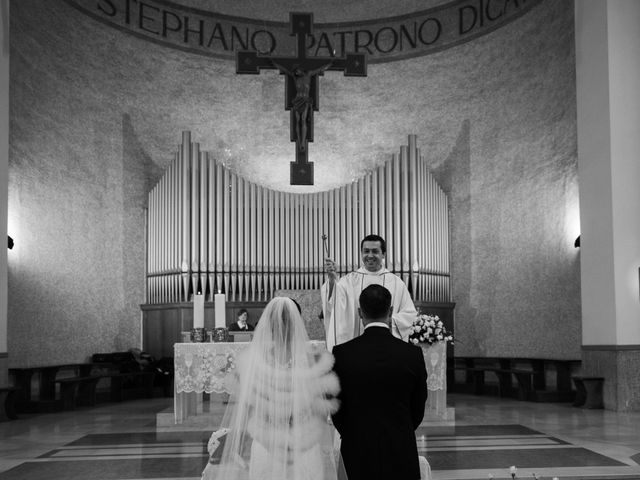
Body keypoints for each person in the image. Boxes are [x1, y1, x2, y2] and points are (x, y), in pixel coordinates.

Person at [201, 297, 342, 480]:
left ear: (269, 324)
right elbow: (321, 409)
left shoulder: (256, 361)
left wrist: (237, 443)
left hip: (266, 442)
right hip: (303, 440)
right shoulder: (311, 360)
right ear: (297, 321)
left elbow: (247, 407)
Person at [331, 284, 429, 480]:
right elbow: (418, 406)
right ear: (391, 311)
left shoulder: (341, 354)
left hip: (357, 446)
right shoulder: (412, 354)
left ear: (360, 312)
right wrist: (401, 428)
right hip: (400, 444)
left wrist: (352, 431)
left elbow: (336, 408)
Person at [321, 234, 418, 350]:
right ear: (361, 253)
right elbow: (333, 303)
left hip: (386, 348)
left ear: (383, 254)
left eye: (375, 251)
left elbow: (409, 314)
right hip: (357, 348)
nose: (370, 255)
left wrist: (387, 321)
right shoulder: (349, 281)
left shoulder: (397, 283)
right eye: (366, 251)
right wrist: (332, 280)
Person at [272, 60, 333, 152]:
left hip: (305, 100)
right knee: (298, 121)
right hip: (297, 100)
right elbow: (284, 70)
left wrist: (330, 64)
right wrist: (273, 63)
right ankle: (299, 140)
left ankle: (303, 142)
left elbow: (320, 69)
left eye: (297, 71)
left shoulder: (308, 74)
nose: (296, 73)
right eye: (295, 72)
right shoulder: (295, 78)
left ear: (300, 70)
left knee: (303, 120)